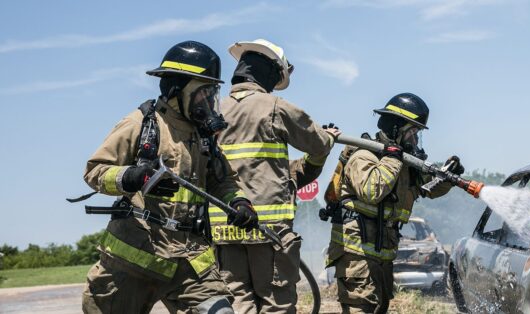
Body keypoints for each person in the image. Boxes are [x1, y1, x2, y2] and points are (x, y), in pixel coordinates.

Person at [81, 40, 259, 314]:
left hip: (189, 259)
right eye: (203, 91)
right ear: (178, 89)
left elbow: (223, 180)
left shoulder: (203, 135)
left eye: (212, 91)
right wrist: (132, 177)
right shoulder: (139, 124)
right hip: (134, 257)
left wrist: (240, 203)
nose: (209, 99)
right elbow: (95, 171)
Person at [212, 38, 340, 314]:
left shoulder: (213, 110)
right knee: (275, 304)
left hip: (223, 230)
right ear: (270, 73)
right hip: (266, 230)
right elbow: (318, 144)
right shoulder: (274, 106)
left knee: (237, 304)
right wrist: (328, 139)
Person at [325, 93, 464, 313]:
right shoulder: (364, 155)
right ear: (395, 129)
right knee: (360, 308)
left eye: (417, 134)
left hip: (382, 253)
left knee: (380, 307)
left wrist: (449, 177)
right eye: (412, 132)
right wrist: (392, 158)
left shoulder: (402, 165)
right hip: (356, 254)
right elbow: (372, 191)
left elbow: (428, 188)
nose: (415, 140)